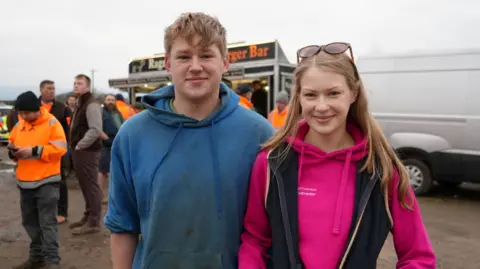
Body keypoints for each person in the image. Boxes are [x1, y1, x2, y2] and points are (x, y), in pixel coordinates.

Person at [238, 42, 436, 269]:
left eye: (333, 93)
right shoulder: (271, 163)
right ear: (299, 98)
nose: (321, 106)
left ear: (353, 93)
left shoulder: (383, 170)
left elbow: (418, 256)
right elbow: (255, 240)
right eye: (311, 95)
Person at [104, 12, 274, 269]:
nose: (195, 66)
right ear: (168, 64)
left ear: (226, 62)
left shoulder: (259, 133)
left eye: (206, 55)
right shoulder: (132, 135)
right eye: (184, 56)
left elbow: (270, 231)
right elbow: (122, 226)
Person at [9, 91, 67, 269]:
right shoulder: (19, 125)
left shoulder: (52, 123)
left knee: (47, 223)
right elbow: (12, 144)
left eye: (26, 112)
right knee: (30, 223)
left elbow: (61, 149)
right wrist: (13, 152)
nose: (23, 116)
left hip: (46, 181)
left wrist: (34, 151)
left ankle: (52, 261)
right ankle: (36, 258)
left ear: (36, 109)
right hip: (24, 182)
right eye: (21, 113)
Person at [69, 74, 103, 235]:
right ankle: (88, 215)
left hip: (87, 151)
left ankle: (94, 222)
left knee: (91, 186)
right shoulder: (80, 102)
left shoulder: (91, 104)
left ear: (87, 86)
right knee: (85, 185)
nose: (76, 85)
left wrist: (80, 145)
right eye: (75, 83)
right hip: (81, 150)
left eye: (79, 83)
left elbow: (95, 129)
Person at [38, 80, 73, 224]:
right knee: (38, 183)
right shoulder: (33, 106)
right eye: (48, 88)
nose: (52, 91)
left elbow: (68, 129)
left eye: (53, 88)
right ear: (41, 90)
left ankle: (62, 212)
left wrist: (66, 147)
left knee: (60, 181)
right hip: (37, 152)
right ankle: (41, 211)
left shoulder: (62, 108)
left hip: (56, 151)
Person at [99, 94, 124, 204]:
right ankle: (100, 196)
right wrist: (106, 139)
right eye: (108, 99)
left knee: (112, 170)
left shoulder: (118, 113)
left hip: (118, 143)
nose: (110, 102)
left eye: (112, 100)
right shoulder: (101, 113)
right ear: (104, 101)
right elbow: (97, 128)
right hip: (106, 144)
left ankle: (112, 195)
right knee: (103, 171)